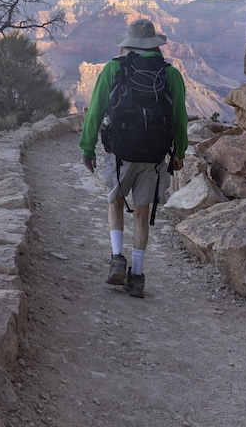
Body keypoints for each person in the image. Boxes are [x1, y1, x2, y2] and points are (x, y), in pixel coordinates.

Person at [79, 18, 187, 298]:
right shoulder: (170, 74)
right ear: (154, 45)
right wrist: (180, 152)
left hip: (121, 154)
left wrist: (87, 147)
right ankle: (137, 276)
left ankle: (117, 257)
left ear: (128, 43)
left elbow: (95, 110)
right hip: (154, 155)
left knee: (115, 201)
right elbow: (179, 120)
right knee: (141, 212)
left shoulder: (114, 68)